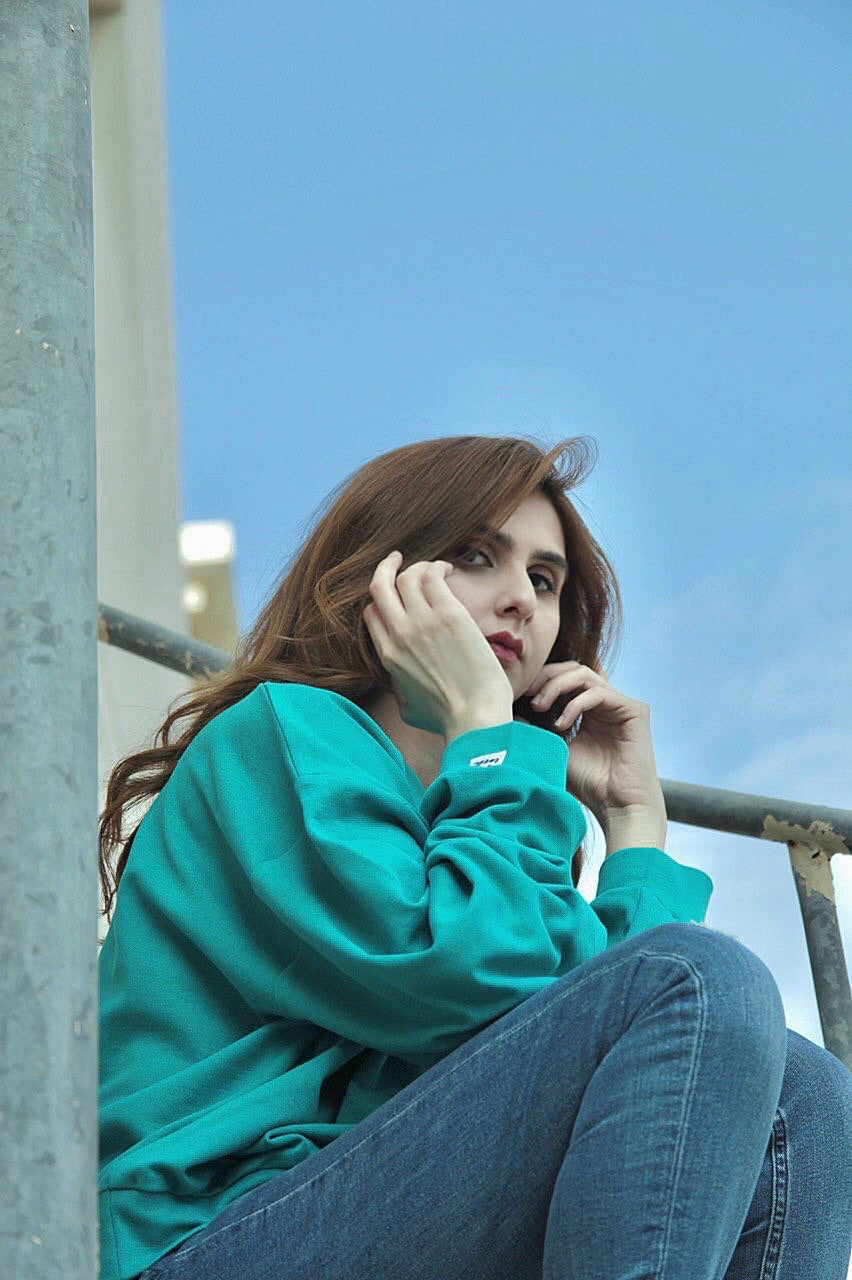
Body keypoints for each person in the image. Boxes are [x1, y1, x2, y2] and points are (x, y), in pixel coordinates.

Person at [97, 434, 852, 1280]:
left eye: (545, 580)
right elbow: (470, 984)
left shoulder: (489, 814)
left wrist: (635, 827)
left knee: (807, 1094)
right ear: (380, 578)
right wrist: (488, 737)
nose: (520, 599)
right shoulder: (283, 735)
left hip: (375, 1214)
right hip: (199, 1245)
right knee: (700, 979)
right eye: (476, 556)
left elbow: (634, 1051)